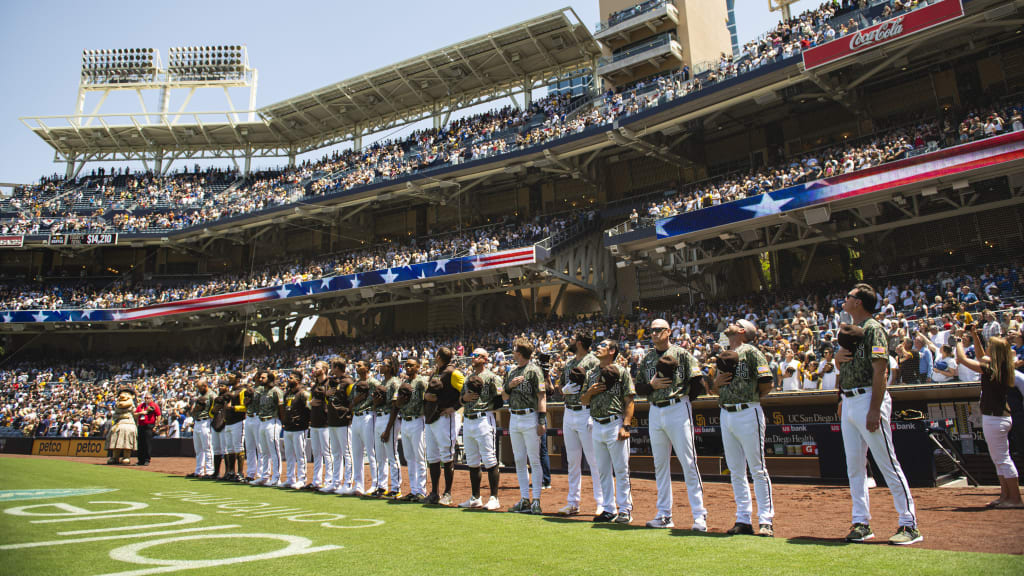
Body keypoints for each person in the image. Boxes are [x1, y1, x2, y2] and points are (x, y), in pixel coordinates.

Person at [837, 283, 922, 545]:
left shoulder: (874, 329)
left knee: (887, 464)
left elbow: (880, 371)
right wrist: (839, 381)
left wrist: (874, 408)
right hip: (850, 400)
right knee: (855, 467)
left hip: (867, 399)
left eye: (849, 296)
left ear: (859, 303)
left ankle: (909, 524)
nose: (845, 299)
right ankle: (861, 522)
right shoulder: (850, 331)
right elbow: (846, 367)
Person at [635, 319, 707, 531]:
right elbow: (638, 387)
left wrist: (683, 401)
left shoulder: (681, 354)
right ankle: (664, 514)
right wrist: (651, 386)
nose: (654, 333)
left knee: (688, 462)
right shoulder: (647, 358)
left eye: (658, 330)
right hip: (655, 409)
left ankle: (699, 515)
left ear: (668, 332)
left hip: (677, 406)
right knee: (660, 464)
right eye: (652, 330)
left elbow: (698, 383)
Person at [712, 319, 775, 537]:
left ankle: (766, 520)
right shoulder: (724, 354)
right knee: (736, 470)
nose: (729, 324)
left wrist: (751, 398)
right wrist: (716, 384)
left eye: (735, 322)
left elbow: (767, 382)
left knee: (757, 468)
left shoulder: (751, 351)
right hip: (726, 412)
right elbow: (714, 389)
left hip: (748, 411)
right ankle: (743, 519)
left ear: (741, 331)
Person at [956, 331, 1022, 508]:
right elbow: (981, 356)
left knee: (1003, 459)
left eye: (991, 347)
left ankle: (1015, 498)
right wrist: (974, 336)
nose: (988, 349)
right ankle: (1005, 495)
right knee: (998, 458)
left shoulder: (992, 367)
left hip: (995, 419)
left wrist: (957, 341)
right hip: (997, 417)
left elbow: (963, 359)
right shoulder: (1001, 366)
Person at [581, 339, 636, 524]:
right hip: (596, 424)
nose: (598, 347)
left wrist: (626, 425)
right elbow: (583, 400)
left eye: (603, 345)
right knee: (603, 470)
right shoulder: (591, 373)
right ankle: (608, 509)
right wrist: (590, 392)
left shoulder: (622, 371)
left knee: (621, 469)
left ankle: (625, 509)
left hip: (614, 423)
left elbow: (629, 400)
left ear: (612, 351)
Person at [552, 332, 602, 517]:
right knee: (572, 461)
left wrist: (593, 412)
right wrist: (563, 390)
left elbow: (597, 387)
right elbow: (561, 386)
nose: (570, 342)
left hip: (586, 412)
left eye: (573, 340)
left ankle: (601, 502)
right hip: (569, 412)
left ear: (579, 343)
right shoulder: (570, 362)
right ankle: (573, 502)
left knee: (594, 461)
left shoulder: (593, 361)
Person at [502, 337, 547, 515]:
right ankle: (524, 499)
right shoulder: (512, 372)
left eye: (514, 350)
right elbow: (504, 396)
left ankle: (536, 500)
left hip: (530, 416)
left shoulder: (534, 371)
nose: (513, 353)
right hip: (515, 417)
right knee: (519, 460)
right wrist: (510, 386)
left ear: (519, 353)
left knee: (534, 460)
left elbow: (542, 396)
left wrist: (541, 421)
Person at [457, 348, 503, 511]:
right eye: (472, 355)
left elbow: (499, 401)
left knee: (490, 459)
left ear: (484, 359)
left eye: (476, 355)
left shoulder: (492, 377)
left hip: (484, 418)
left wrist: (486, 407)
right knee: (472, 461)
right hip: (468, 419)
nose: (473, 357)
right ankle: (475, 497)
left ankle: (494, 497)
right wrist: (464, 398)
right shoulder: (468, 378)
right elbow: (460, 400)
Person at [423, 347, 464, 506]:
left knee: (446, 456)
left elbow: (466, 391)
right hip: (432, 417)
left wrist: (454, 407)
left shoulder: (453, 372)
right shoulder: (437, 371)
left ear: (438, 356)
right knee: (432, 457)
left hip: (445, 417)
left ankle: (447, 493)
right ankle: (434, 493)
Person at [386, 358, 428, 502]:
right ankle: (413, 489)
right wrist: (401, 400)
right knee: (409, 458)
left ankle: (421, 490)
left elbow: (428, 399)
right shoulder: (404, 384)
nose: (408, 367)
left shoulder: (422, 382)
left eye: (411, 365)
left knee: (419, 457)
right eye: (406, 365)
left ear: (418, 367)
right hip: (405, 420)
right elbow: (396, 404)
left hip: (417, 419)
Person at [372, 355, 403, 498]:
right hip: (379, 417)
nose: (381, 366)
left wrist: (388, 429)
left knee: (391, 455)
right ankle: (381, 486)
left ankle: (396, 488)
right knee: (380, 456)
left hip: (389, 419)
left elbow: (395, 407)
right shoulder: (382, 382)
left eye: (384, 364)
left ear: (391, 367)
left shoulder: (394, 383)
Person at [349, 360, 379, 496]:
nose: (357, 367)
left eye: (360, 365)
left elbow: (380, 396)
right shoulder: (355, 384)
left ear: (367, 368)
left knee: (371, 451)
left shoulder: (373, 382)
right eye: (357, 365)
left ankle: (375, 483)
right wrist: (356, 400)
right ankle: (358, 484)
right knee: (356, 453)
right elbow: (350, 401)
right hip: (356, 416)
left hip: (368, 415)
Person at [326, 357, 355, 495]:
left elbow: (352, 401)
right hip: (332, 420)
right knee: (336, 453)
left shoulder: (348, 382)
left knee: (347, 453)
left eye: (332, 366)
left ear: (337, 367)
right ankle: (335, 482)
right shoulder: (332, 382)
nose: (331, 368)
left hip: (343, 421)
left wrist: (347, 413)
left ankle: (348, 483)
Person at [282, 369, 311, 490]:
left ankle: (302, 479)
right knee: (289, 455)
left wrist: (305, 422)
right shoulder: (287, 393)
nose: (288, 380)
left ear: (298, 380)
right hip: (288, 427)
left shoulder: (304, 394)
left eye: (291, 378)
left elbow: (309, 409)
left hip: (300, 427)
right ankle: (290, 478)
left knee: (300, 454)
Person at [253, 370, 283, 486]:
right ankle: (265, 476)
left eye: (263, 378)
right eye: (260, 378)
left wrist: (282, 421)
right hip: (262, 421)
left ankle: (276, 477)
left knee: (274, 450)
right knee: (264, 451)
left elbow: (281, 407)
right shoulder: (262, 392)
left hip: (272, 420)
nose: (260, 380)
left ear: (270, 379)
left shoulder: (276, 391)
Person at [307, 361, 333, 490]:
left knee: (327, 453)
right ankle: (316, 480)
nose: (314, 370)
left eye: (317, 368)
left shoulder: (329, 384)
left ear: (324, 369)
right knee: (316, 453)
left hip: (325, 423)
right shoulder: (314, 385)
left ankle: (329, 480)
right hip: (315, 422)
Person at [186, 377, 215, 479]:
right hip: (197, 421)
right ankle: (199, 471)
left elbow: (216, 409)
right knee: (198, 449)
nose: (198, 389)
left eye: (199, 387)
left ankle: (210, 471)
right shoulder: (200, 396)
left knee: (207, 447)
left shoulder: (211, 395)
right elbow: (192, 412)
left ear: (205, 386)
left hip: (206, 421)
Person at [223, 373, 248, 481]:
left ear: (238, 378)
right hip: (228, 422)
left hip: (238, 421)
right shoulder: (230, 391)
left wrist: (232, 408)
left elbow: (245, 407)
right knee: (229, 448)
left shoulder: (242, 391)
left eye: (232, 376)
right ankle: (230, 471)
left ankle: (240, 472)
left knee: (238, 447)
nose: (229, 377)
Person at [243, 370, 265, 483]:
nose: (259, 379)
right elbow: (245, 402)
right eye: (258, 376)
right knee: (250, 447)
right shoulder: (250, 388)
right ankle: (251, 473)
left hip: (257, 417)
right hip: (249, 416)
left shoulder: (262, 389)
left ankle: (260, 473)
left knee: (259, 446)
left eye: (261, 377)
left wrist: (252, 393)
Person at [107, 388, 138, 465]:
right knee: (116, 440)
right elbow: (115, 415)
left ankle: (126, 457)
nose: (123, 396)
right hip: (118, 423)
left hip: (128, 423)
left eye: (126, 394)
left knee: (127, 440)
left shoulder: (132, 405)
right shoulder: (117, 406)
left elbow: (135, 414)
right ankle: (115, 457)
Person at [133, 392, 160, 466]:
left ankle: (147, 459)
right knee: (140, 443)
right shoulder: (141, 406)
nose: (146, 399)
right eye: (145, 398)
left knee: (147, 443)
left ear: (151, 399)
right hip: (141, 425)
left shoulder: (154, 405)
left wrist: (156, 426)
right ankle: (140, 460)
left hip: (149, 425)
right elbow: (135, 414)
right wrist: (141, 413)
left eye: (148, 398)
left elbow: (159, 416)